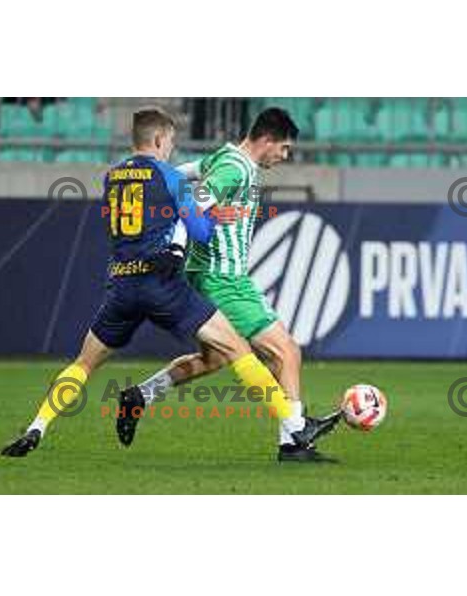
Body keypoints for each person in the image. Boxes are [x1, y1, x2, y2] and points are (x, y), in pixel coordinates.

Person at [1, 107, 321, 458]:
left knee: (84, 364)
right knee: (248, 351)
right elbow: (198, 224)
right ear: (158, 139)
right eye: (170, 141)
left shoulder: (113, 177)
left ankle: (36, 427)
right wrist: (206, 220)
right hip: (164, 284)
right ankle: (295, 427)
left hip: (121, 286)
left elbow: (173, 187)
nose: (172, 147)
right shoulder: (177, 177)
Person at [115, 108, 341, 463]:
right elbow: (195, 205)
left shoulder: (224, 157)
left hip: (206, 275)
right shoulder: (235, 168)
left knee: (215, 358)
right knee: (286, 351)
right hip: (223, 278)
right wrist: (190, 226)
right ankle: (295, 438)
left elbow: (179, 173)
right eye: (283, 148)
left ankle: (140, 395)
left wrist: (154, 180)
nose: (284, 157)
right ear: (266, 140)